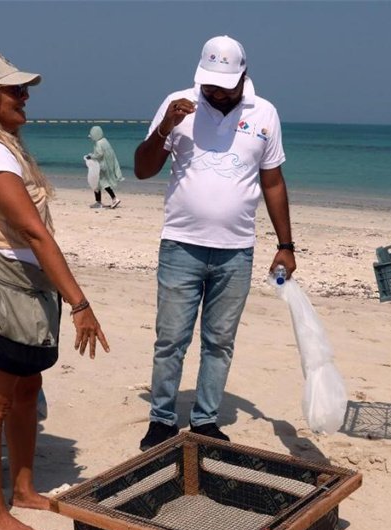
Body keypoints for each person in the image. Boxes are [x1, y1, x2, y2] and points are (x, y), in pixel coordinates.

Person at [0, 53, 109, 530]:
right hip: (5, 288)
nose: (26, 97)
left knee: (28, 388)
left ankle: (24, 487)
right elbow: (34, 232)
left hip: (28, 287)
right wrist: (80, 303)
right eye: (14, 90)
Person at [133, 35, 295, 451]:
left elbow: (272, 181)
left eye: (224, 84)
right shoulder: (177, 104)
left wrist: (286, 245)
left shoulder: (266, 113)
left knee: (219, 341)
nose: (215, 91)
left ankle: (204, 420)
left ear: (244, 76)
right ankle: (162, 418)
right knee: (170, 339)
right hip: (181, 244)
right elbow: (142, 169)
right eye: (208, 83)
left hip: (237, 250)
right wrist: (166, 127)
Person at [85, 125, 123, 208]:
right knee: (97, 184)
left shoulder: (98, 143)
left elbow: (99, 154)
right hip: (106, 165)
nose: (91, 138)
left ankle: (114, 199)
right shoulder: (105, 141)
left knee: (102, 183)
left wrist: (90, 156)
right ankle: (98, 202)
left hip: (102, 166)